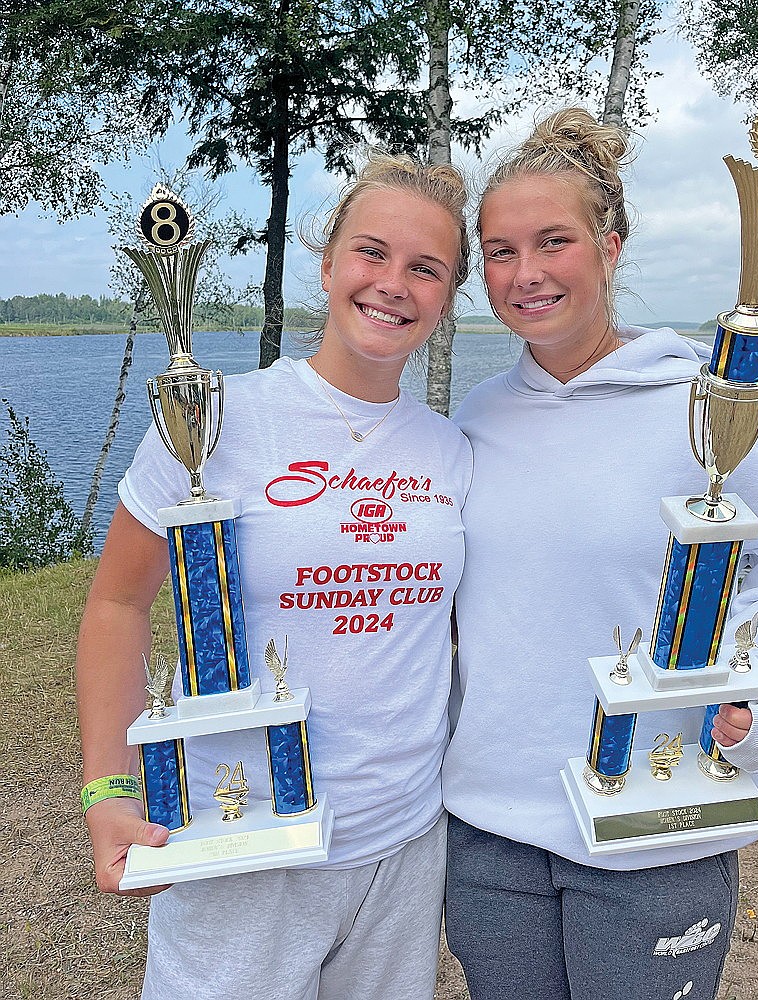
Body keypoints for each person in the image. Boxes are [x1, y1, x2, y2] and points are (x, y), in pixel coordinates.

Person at [442, 108, 758, 1000]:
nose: (525, 274)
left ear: (609, 246)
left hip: (655, 825)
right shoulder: (473, 421)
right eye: (499, 251)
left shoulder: (701, 408)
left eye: (553, 242)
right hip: (490, 827)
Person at [76, 153, 472, 1000]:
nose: (392, 282)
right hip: (243, 831)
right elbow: (117, 603)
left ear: (446, 298)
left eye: (424, 267)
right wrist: (109, 788)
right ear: (327, 263)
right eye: (371, 252)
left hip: (403, 840)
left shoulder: (450, 450)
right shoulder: (217, 418)